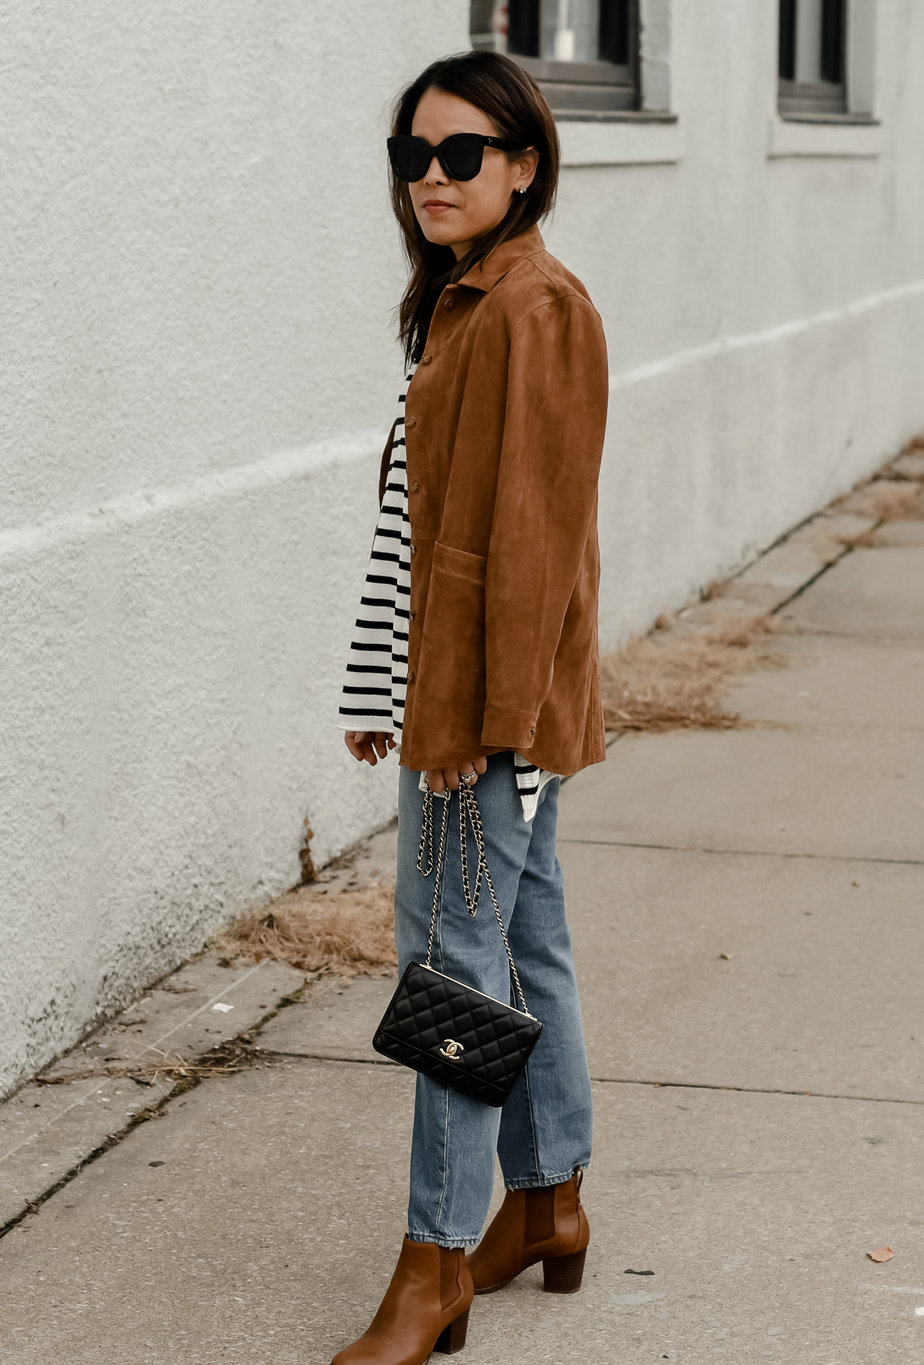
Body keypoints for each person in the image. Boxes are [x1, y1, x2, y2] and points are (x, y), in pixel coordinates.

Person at [334, 49, 608, 1365]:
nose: (431, 178)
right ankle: (547, 1201)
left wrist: (471, 728)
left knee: (450, 972)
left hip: (482, 716)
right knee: (521, 941)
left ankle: (434, 1258)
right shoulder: (463, 299)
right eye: (414, 155)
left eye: (460, 155)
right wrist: (375, 679)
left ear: (523, 165)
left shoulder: (531, 310)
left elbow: (531, 549)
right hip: (457, 697)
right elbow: (418, 529)